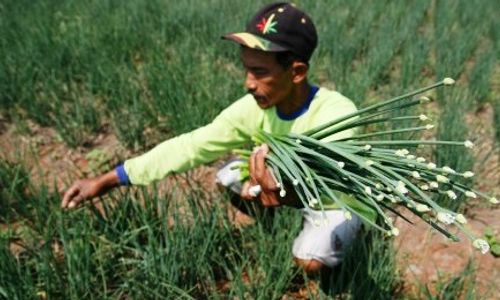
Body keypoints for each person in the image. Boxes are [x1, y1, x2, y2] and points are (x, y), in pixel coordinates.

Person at [61, 2, 361, 274]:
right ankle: (271, 215)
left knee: (309, 260)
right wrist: (107, 180)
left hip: (330, 200)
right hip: (279, 188)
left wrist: (281, 188)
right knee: (228, 174)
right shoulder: (253, 108)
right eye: (246, 70)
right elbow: (191, 146)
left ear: (296, 72)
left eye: (259, 72)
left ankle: (354, 235)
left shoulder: (337, 114)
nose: (248, 84)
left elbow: (324, 178)